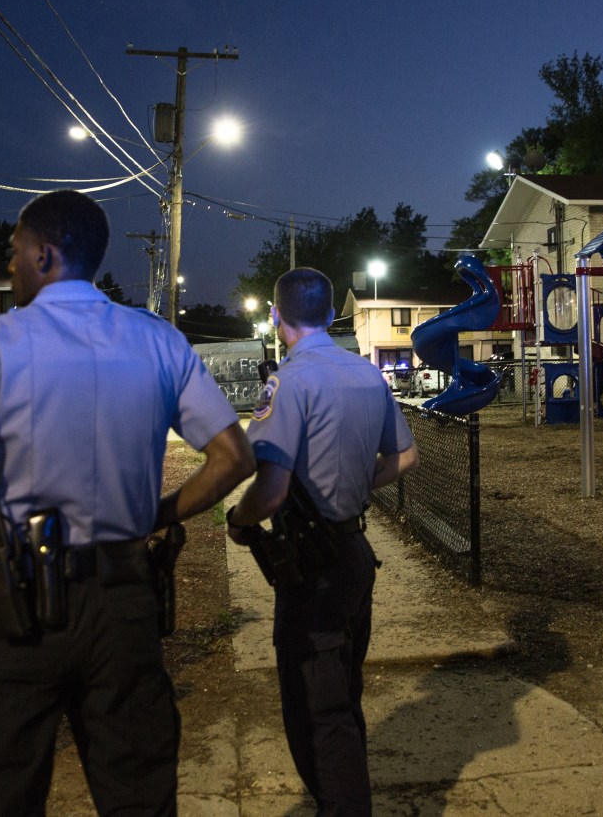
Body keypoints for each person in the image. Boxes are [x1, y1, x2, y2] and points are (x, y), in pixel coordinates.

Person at [0, 190, 254, 815]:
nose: (9, 268)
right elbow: (233, 458)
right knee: (137, 787)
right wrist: (159, 513)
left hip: (20, 605)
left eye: (13, 255)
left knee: (2, 787)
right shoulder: (159, 341)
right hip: (124, 598)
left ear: (45, 254)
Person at [226, 267, 418, 816]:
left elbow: (270, 488)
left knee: (317, 707)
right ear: (333, 312)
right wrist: (359, 482)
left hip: (312, 567)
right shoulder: (365, 375)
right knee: (343, 691)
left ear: (276, 316)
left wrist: (239, 522)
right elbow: (406, 456)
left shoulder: (288, 382)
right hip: (355, 555)